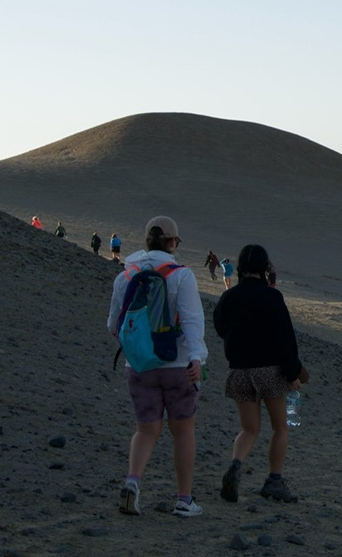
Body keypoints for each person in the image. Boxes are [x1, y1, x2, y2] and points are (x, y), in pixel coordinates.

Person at [106, 216, 207, 517]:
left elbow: (115, 324)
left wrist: (137, 347)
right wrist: (197, 357)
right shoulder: (182, 275)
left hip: (139, 365)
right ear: (173, 242)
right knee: (183, 430)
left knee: (146, 430)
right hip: (178, 365)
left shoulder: (126, 275)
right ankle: (184, 499)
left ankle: (133, 482)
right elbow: (192, 320)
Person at [213, 243, 309, 504]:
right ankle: (274, 481)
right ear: (265, 268)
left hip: (240, 372)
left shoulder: (229, 297)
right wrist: (293, 374)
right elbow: (286, 339)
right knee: (280, 427)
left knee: (249, 428)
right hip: (270, 372)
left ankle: (235, 464)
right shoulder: (272, 297)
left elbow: (221, 329)